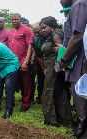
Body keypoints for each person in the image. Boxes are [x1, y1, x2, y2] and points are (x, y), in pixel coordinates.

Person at [59, 0, 87, 138]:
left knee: (83, 111)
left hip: (81, 66)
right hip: (78, 64)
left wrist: (64, 59)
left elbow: (77, 37)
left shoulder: (79, 4)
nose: (60, 0)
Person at [39, 16, 73, 127]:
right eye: (41, 28)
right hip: (54, 69)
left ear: (52, 26)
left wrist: (62, 49)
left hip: (54, 69)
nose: (42, 30)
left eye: (44, 27)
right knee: (60, 93)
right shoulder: (53, 34)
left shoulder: (56, 35)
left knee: (48, 92)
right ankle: (63, 120)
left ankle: (51, 121)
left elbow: (62, 49)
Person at [8, 13, 34, 112]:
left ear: (20, 20)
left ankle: (26, 103)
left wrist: (26, 62)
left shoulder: (27, 30)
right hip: (12, 62)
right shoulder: (11, 32)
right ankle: (11, 101)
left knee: (26, 83)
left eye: (16, 19)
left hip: (23, 60)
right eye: (12, 20)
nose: (14, 21)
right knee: (11, 83)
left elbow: (30, 47)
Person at [32, 21, 45, 104]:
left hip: (53, 61)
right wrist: (44, 69)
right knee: (40, 80)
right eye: (34, 33)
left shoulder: (50, 36)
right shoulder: (35, 40)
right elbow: (39, 56)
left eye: (38, 32)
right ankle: (39, 98)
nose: (36, 35)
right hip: (41, 61)